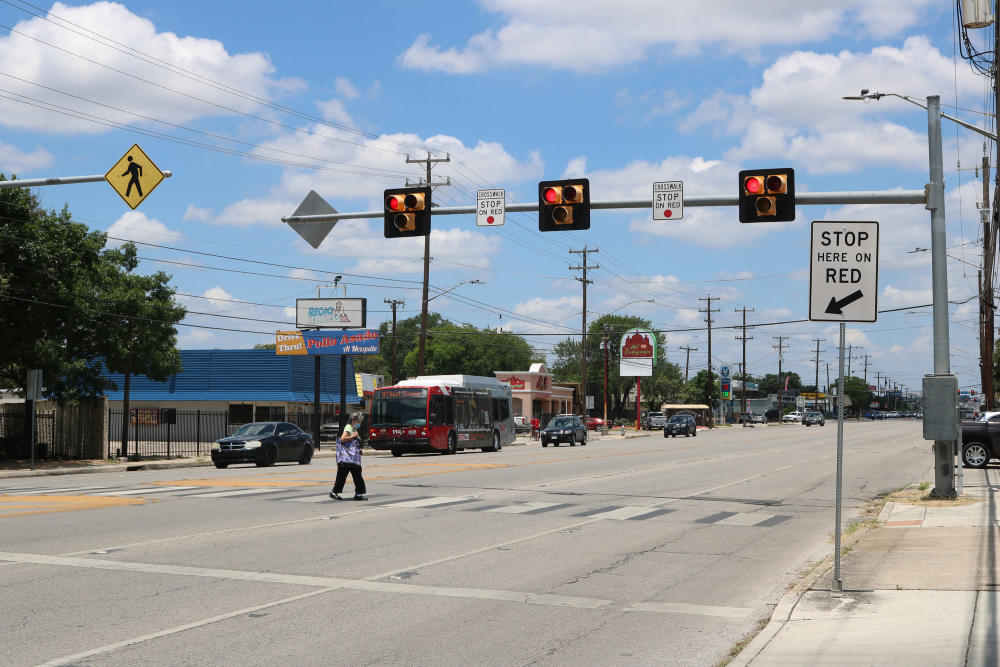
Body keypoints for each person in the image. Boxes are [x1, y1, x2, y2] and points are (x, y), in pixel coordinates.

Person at [330, 412, 367, 501]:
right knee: (342, 476)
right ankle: (334, 492)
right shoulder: (348, 427)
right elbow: (342, 439)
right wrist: (353, 436)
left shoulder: (353, 428)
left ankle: (358, 494)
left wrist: (359, 450)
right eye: (358, 421)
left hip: (352, 458)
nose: (360, 423)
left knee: (357, 475)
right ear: (353, 420)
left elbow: (353, 444)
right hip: (346, 458)